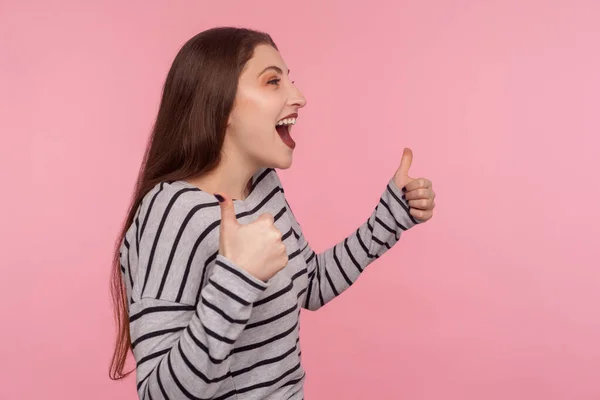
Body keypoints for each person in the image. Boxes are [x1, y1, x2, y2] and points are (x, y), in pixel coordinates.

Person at [109, 26, 436, 400]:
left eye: (290, 82)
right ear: (221, 105)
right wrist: (237, 278)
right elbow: (159, 395)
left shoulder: (263, 184)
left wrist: (391, 217)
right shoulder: (171, 213)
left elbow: (310, 285)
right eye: (272, 82)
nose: (299, 97)